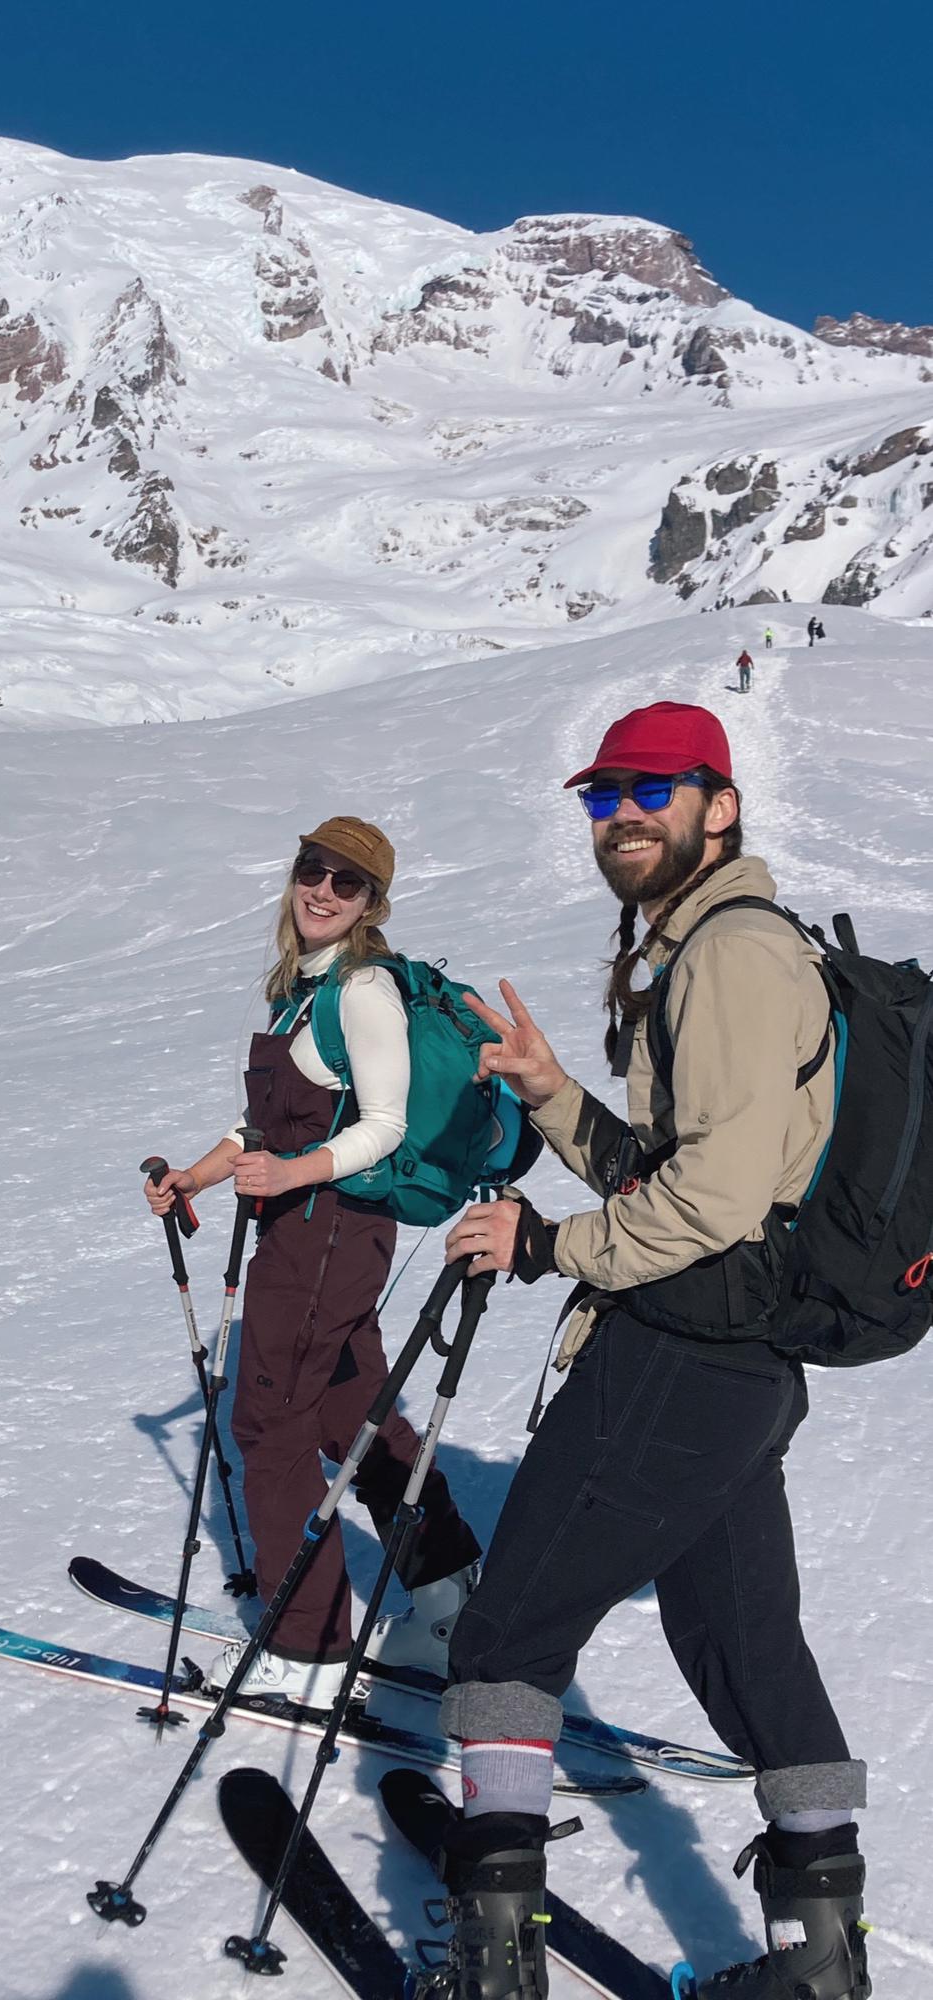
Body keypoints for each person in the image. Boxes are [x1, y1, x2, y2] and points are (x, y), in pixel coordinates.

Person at [429, 703, 868, 2000]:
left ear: (718, 805)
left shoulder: (729, 953)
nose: (620, 815)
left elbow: (709, 1207)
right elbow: (678, 1168)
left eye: (651, 790)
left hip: (677, 1355)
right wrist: (554, 1094)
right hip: (738, 1369)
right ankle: (823, 1963)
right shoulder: (718, 949)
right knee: (743, 1646)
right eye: (601, 795)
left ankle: (495, 1965)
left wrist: (547, 1249)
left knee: (507, 1634)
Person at [145, 816, 481, 1706]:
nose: (323, 892)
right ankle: (449, 1606)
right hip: (317, 1235)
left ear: (373, 902)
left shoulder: (362, 989)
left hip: (326, 1235)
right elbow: (271, 1121)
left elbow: (386, 1125)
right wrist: (200, 1176)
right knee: (351, 1416)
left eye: (347, 883)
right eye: (312, 871)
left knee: (272, 1434)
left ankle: (310, 1650)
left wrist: (290, 1171)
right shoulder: (303, 987)